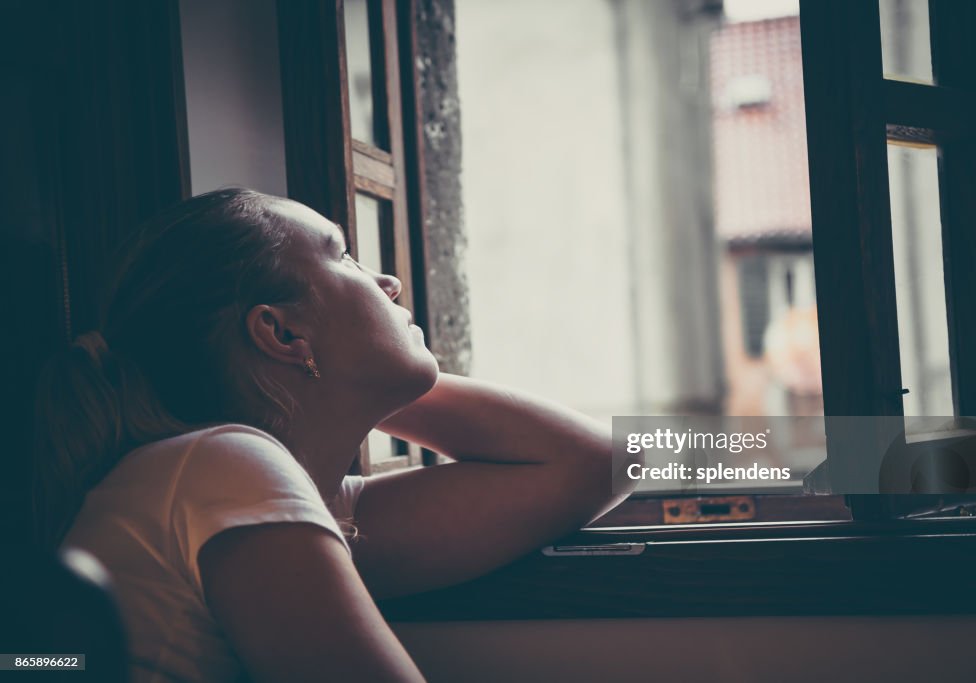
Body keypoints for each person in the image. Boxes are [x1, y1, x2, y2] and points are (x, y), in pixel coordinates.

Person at [33, 188, 634, 682]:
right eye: (343, 256)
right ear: (282, 333)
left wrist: (354, 380)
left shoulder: (288, 496)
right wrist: (358, 376)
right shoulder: (225, 469)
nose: (389, 281)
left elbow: (600, 461)